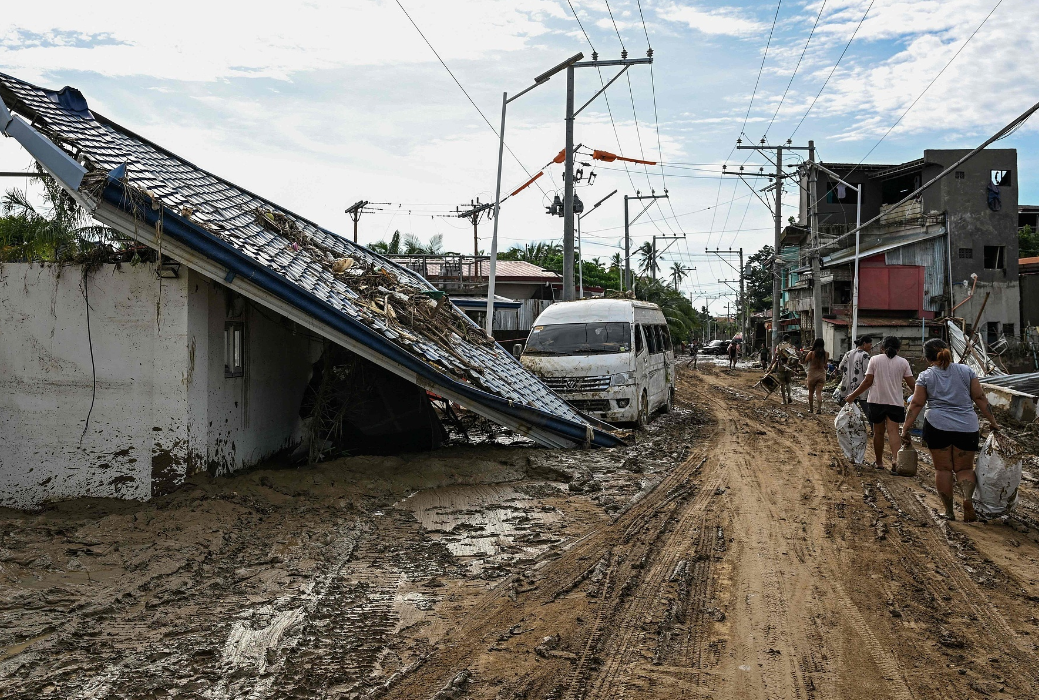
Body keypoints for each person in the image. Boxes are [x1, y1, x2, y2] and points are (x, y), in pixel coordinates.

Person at [902, 339, 1000, 521]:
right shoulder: (967, 371)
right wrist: (993, 422)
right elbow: (979, 397)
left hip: (937, 426)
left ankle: (949, 511)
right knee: (964, 468)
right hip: (967, 426)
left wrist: (905, 428)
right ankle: (967, 499)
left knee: (943, 469)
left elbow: (916, 404)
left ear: (926, 357)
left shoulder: (925, 376)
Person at [845, 336, 915, 470]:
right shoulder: (903, 362)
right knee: (893, 432)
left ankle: (879, 462)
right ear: (898, 349)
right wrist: (920, 398)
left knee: (878, 433)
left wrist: (853, 395)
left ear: (882, 348)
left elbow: (867, 382)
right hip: (895, 402)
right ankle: (896, 462)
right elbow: (912, 384)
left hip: (876, 401)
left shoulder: (875, 360)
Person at [838, 336, 873, 414]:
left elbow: (841, 367)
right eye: (870, 344)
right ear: (864, 344)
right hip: (861, 389)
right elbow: (868, 373)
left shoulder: (848, 353)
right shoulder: (865, 355)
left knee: (848, 413)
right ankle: (873, 426)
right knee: (869, 413)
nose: (871, 347)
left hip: (848, 388)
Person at [804, 338, 828, 414]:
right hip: (821, 374)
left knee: (811, 392)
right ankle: (819, 410)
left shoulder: (811, 353)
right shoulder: (826, 354)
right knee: (818, 393)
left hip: (812, 374)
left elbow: (805, 361)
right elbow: (825, 364)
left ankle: (811, 409)